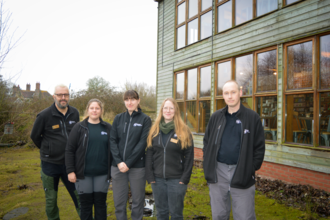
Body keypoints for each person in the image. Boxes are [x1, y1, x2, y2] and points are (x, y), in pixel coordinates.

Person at [203, 80, 265, 220]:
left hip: (242, 172)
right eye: (226, 93)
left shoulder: (252, 117)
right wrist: (208, 164)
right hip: (218, 172)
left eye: (233, 92)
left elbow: (259, 147)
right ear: (223, 96)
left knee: (244, 216)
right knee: (219, 215)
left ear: (240, 93)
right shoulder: (215, 117)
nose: (230, 96)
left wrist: (250, 168)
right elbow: (207, 142)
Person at [30, 84, 80, 220]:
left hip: (70, 165)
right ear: (54, 96)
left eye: (66, 95)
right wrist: (48, 150)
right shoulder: (44, 115)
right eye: (60, 95)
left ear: (69, 96)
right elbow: (34, 136)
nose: (63, 98)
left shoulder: (75, 113)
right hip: (50, 165)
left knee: (79, 196)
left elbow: (78, 135)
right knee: (51, 200)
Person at [146, 98, 194, 220]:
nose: (168, 110)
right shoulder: (154, 130)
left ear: (176, 111)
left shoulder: (184, 130)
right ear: (161, 110)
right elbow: (149, 154)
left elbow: (189, 156)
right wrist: (150, 177)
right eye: (165, 108)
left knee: (176, 214)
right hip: (157, 180)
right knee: (161, 213)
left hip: (177, 180)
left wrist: (185, 178)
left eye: (171, 108)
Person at [65, 99, 112, 220]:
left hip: (102, 174)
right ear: (88, 110)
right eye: (92, 108)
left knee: (100, 205)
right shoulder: (79, 127)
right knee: (85, 206)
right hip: (83, 175)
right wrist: (70, 171)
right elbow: (69, 150)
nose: (94, 110)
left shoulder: (108, 128)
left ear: (101, 110)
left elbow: (114, 150)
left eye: (97, 108)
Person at [110, 90, 152, 220]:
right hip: (118, 167)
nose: (130, 102)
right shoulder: (118, 118)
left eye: (133, 99)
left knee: (138, 202)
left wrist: (128, 163)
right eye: (127, 99)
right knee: (119, 202)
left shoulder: (145, 119)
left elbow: (142, 143)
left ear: (138, 101)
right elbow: (112, 140)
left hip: (137, 167)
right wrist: (119, 162)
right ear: (124, 101)